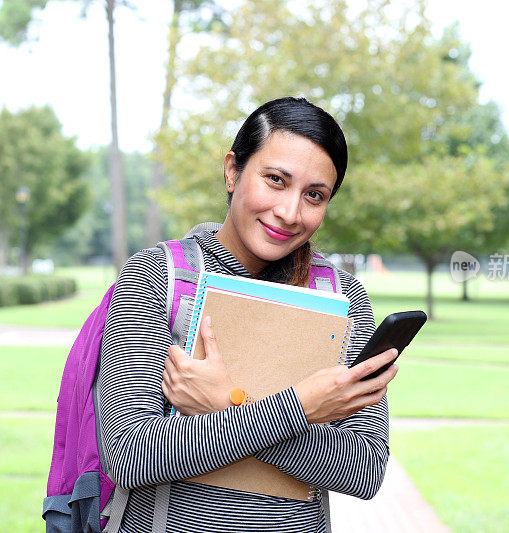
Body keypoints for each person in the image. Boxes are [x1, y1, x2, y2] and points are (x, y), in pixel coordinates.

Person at [98, 96, 399, 533]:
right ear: (232, 170)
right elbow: (128, 455)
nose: (289, 213)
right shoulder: (158, 275)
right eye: (276, 180)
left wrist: (224, 403)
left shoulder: (342, 296)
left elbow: (366, 471)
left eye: (314, 195)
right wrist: (301, 408)